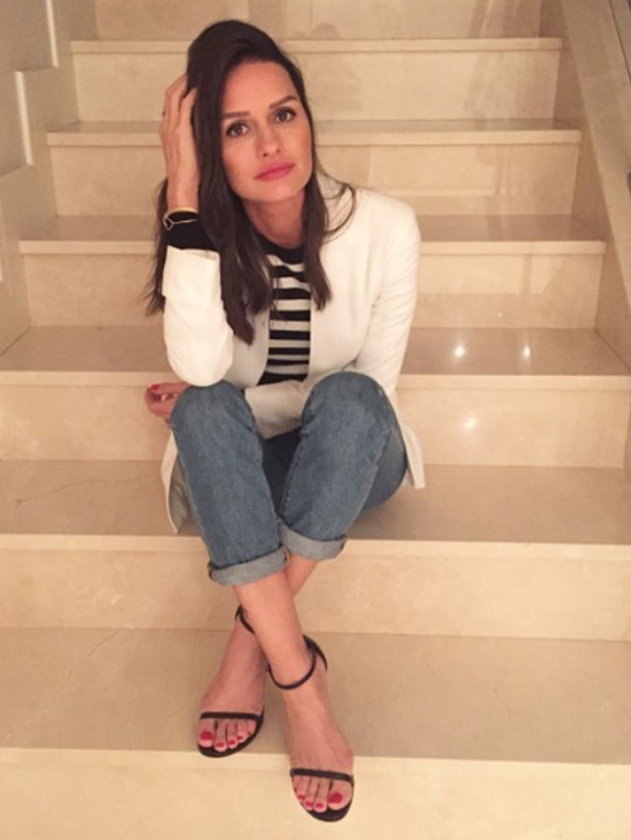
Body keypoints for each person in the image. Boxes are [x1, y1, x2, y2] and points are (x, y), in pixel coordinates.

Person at [144, 19, 424, 823]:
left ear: (307, 118)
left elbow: (370, 391)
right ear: (206, 149)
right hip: (241, 473)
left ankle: (252, 649)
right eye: (235, 129)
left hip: (352, 455)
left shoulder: (384, 227)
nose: (270, 143)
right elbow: (203, 373)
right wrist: (183, 198)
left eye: (283, 113)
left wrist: (247, 405)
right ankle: (304, 687)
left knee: (347, 400)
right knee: (204, 404)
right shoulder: (198, 234)